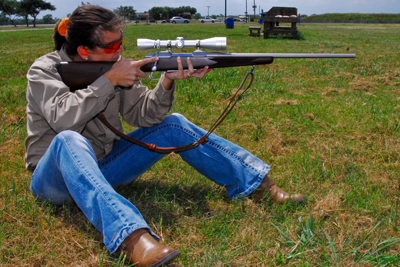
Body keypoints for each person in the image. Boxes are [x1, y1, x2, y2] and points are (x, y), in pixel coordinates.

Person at [25, 5, 305, 267]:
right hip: (55, 182)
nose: (121, 51)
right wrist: (108, 82)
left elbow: (144, 116)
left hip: (106, 166)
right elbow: (63, 119)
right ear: (84, 51)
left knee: (173, 124)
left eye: (121, 42)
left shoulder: (116, 65)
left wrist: (167, 80)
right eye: (112, 46)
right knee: (68, 140)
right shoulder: (44, 70)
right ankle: (131, 237)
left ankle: (257, 185)